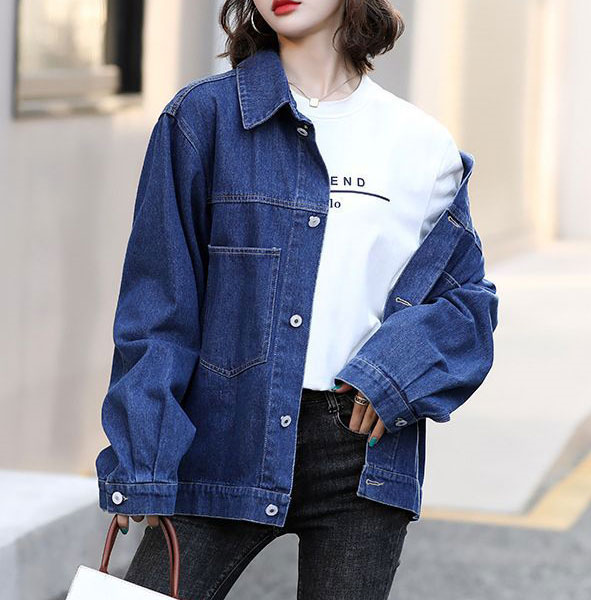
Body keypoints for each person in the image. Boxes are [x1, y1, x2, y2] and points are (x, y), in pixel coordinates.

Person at [95, 0, 499, 598]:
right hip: (220, 438)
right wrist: (144, 455)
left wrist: (393, 374)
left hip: (362, 453)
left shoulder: (420, 144)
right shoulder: (203, 119)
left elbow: (467, 306)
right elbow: (159, 304)